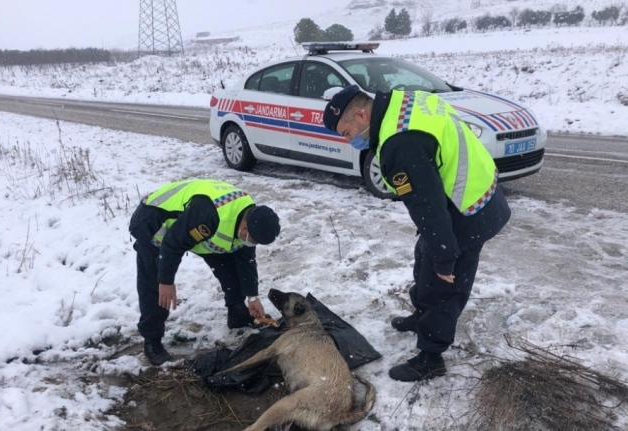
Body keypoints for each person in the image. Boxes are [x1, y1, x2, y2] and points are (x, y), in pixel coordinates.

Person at [323, 85, 511, 382]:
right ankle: (421, 316)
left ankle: (431, 356)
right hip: (471, 189)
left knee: (443, 283)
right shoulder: (401, 101)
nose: (350, 141)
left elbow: (428, 206)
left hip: (469, 208)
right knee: (424, 257)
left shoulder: (401, 144)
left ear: (360, 113)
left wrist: (445, 258)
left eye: (347, 133)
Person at [128, 179, 281, 366]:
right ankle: (152, 341)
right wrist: (166, 281)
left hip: (192, 231)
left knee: (232, 265)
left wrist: (252, 297)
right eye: (253, 240)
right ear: (244, 227)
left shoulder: (250, 217)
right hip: (153, 223)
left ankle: (237, 312)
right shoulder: (210, 215)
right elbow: (173, 243)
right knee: (156, 286)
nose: (253, 244)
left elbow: (246, 260)